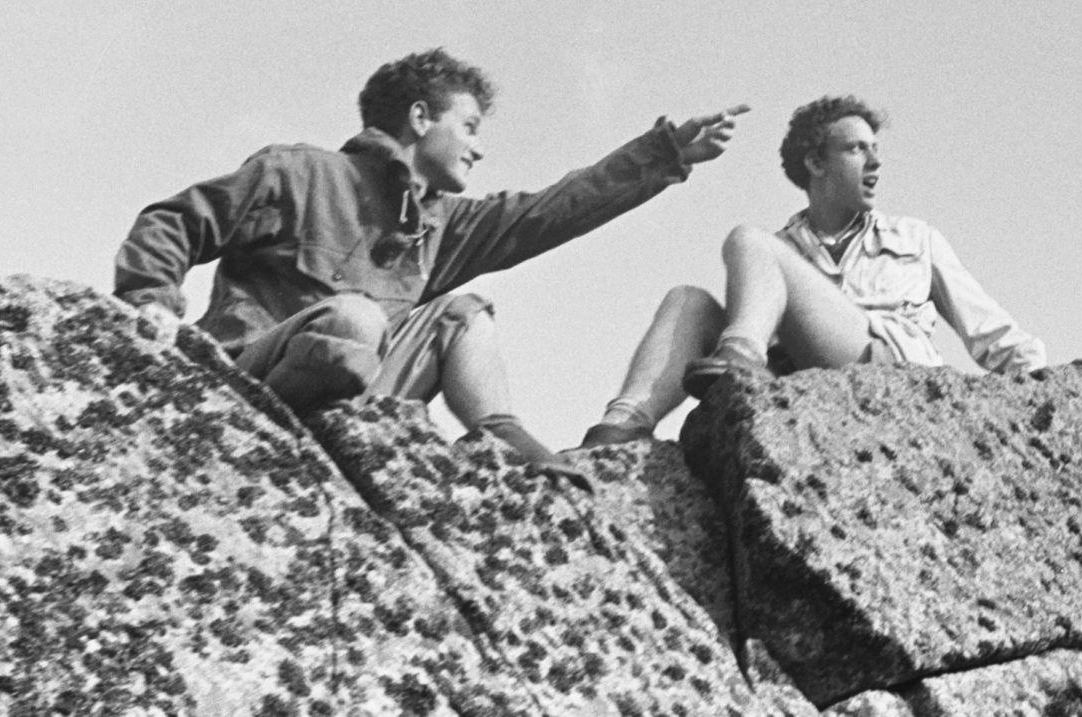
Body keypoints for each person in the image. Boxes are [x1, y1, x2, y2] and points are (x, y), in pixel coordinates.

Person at [115, 47, 746, 484]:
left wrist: (662, 155)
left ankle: (504, 438)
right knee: (355, 322)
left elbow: (549, 211)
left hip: (364, 388)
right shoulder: (298, 172)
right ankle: (289, 436)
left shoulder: (445, 225)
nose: (479, 146)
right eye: (467, 126)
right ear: (420, 119)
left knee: (462, 315)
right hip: (257, 373)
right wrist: (152, 304)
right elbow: (176, 220)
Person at [580, 94, 1045, 448]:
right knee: (687, 299)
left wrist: (1046, 402)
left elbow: (992, 331)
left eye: (875, 149)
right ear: (816, 162)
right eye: (857, 150)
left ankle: (741, 360)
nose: (875, 162)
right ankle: (622, 425)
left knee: (747, 239)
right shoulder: (780, 252)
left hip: (891, 383)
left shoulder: (915, 238)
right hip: (805, 378)